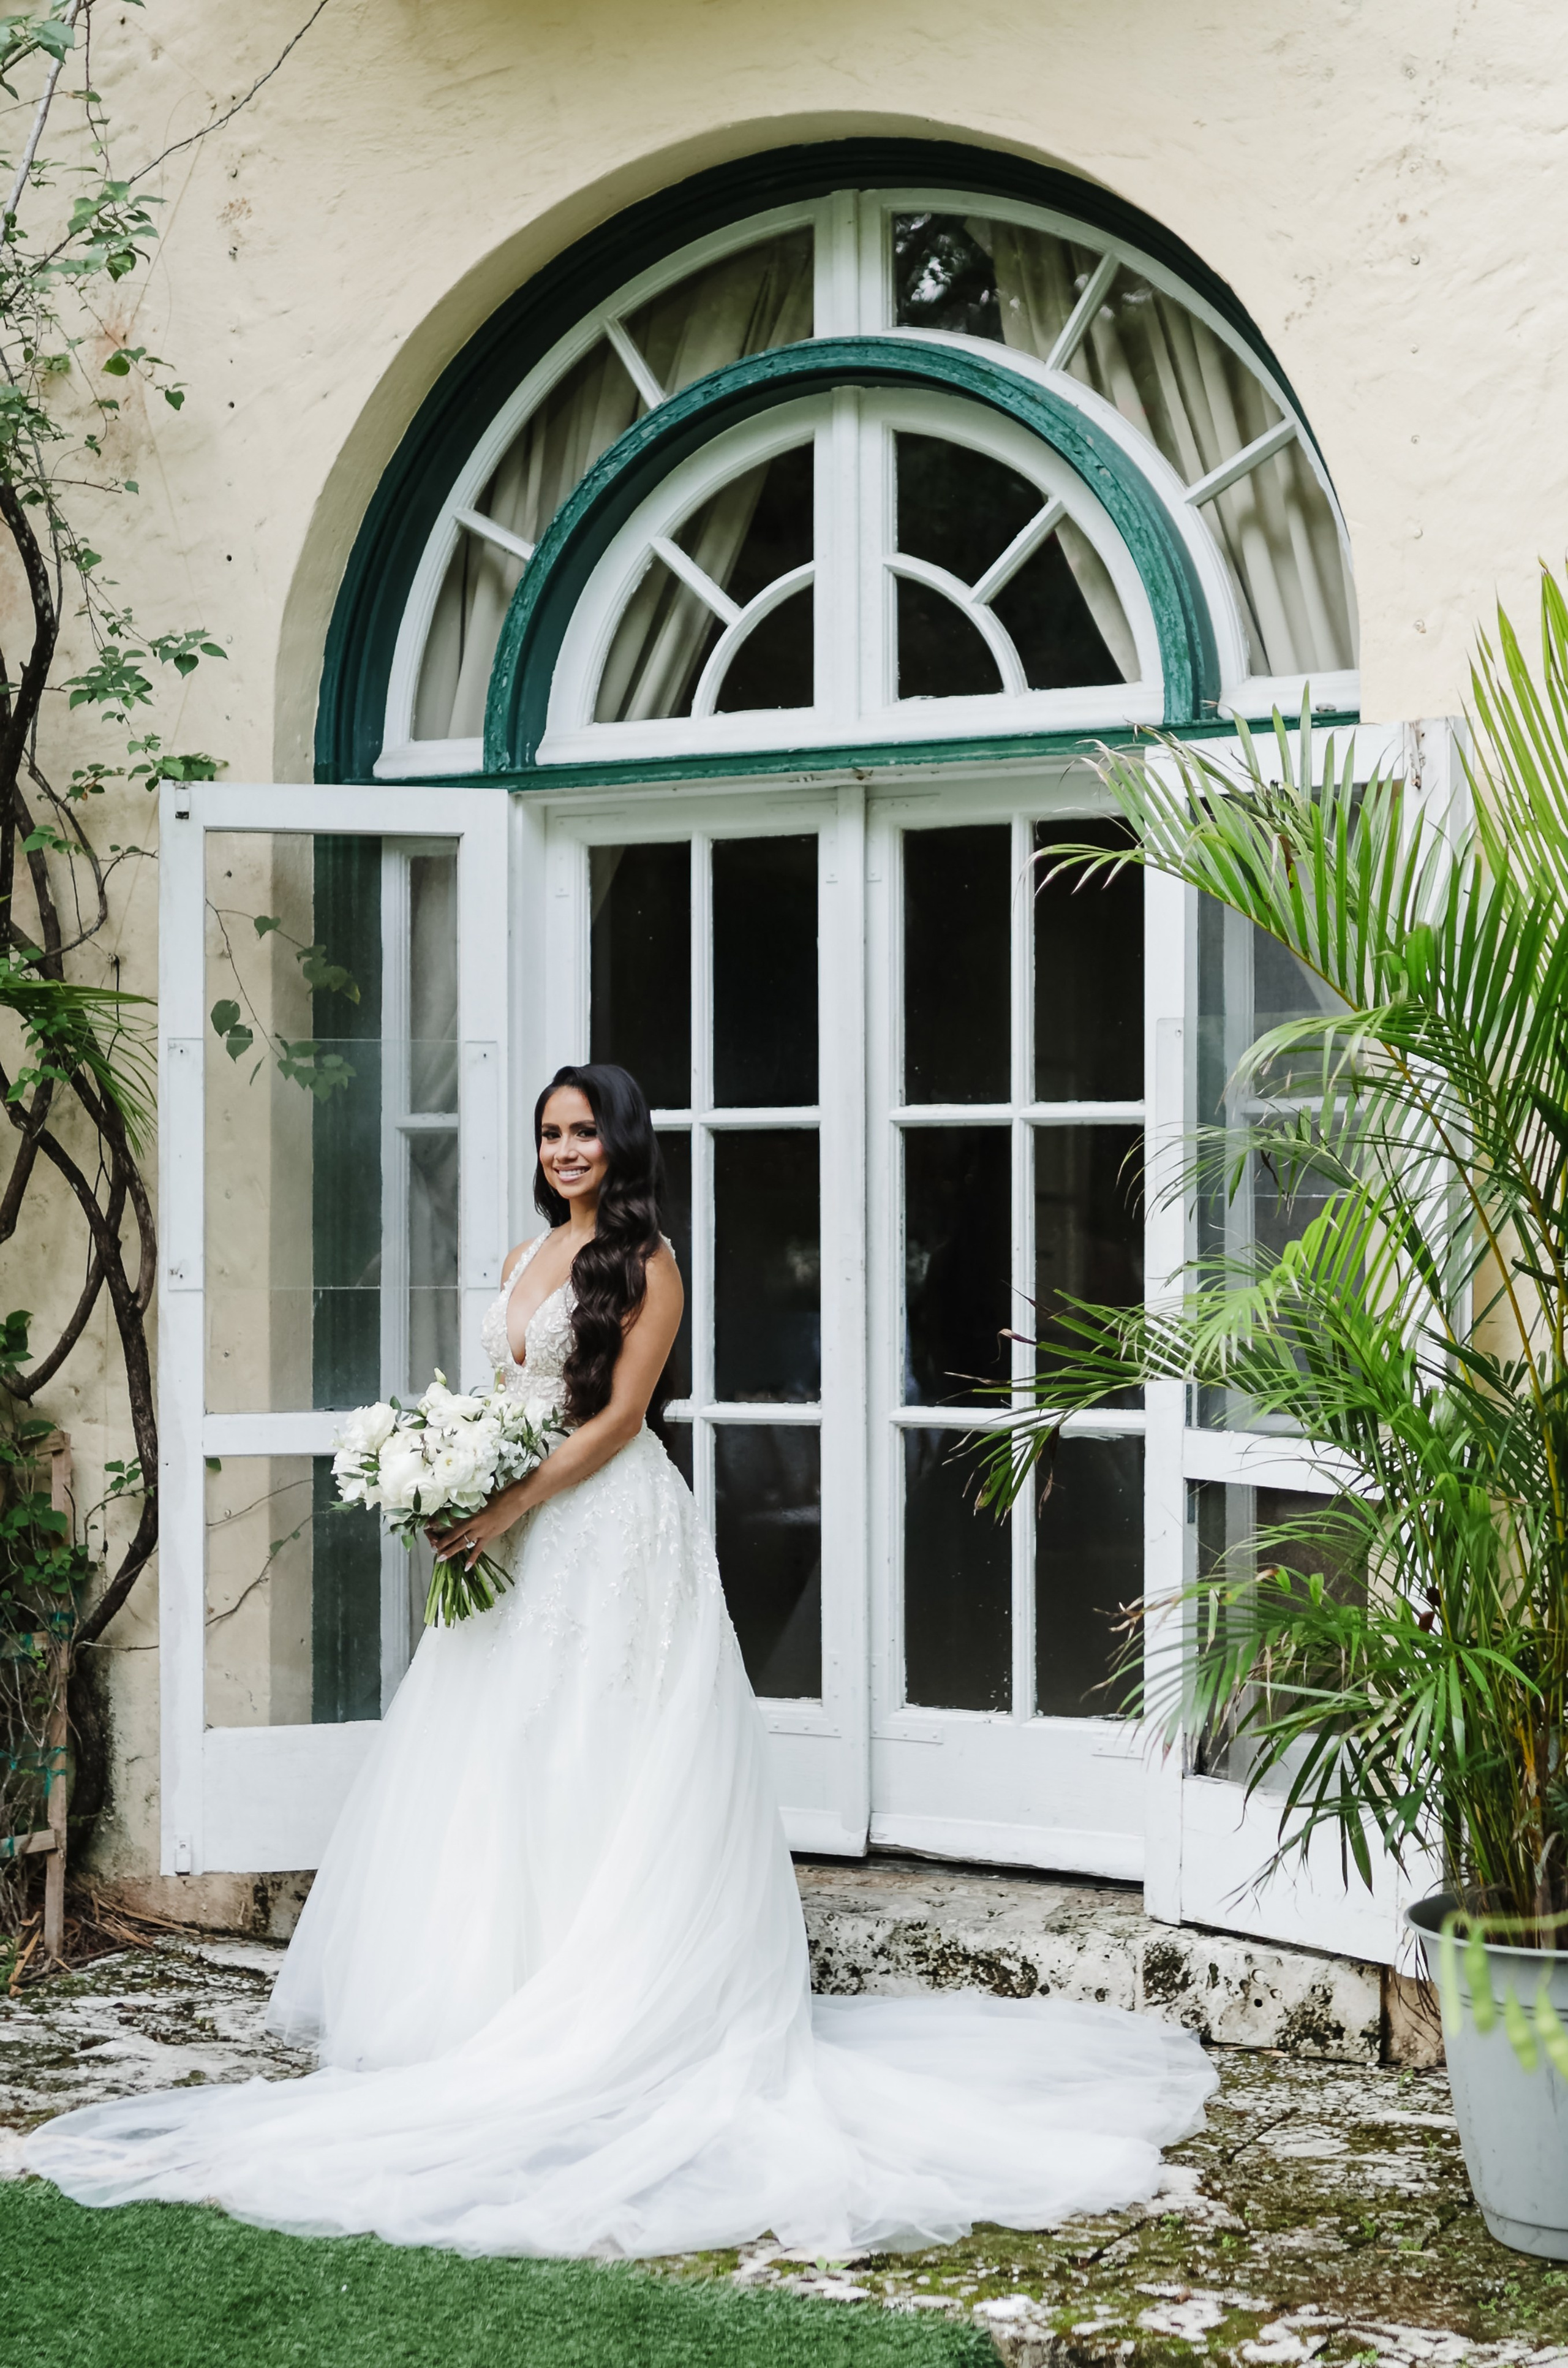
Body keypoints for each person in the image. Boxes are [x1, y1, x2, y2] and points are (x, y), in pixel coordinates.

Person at [24, 1062, 1215, 2256]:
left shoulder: (647, 1265)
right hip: (521, 1536)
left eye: (583, 1131)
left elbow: (613, 1419)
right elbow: (503, 1395)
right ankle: (494, 1993)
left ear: (621, 1143)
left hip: (609, 1533)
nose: (564, 1149)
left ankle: (610, 2005)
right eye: (549, 1132)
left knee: (608, 1748)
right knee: (507, 1754)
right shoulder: (520, 1259)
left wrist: (500, 1506)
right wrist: (454, 1475)